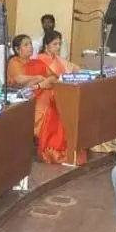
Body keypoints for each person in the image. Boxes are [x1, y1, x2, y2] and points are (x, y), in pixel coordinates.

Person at [25, 30, 80, 163]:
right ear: (46, 45)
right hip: (42, 92)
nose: (58, 47)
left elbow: (75, 69)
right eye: (55, 44)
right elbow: (43, 82)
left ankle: (70, 145)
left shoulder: (58, 59)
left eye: (59, 44)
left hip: (59, 90)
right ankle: (54, 147)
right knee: (57, 107)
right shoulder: (40, 59)